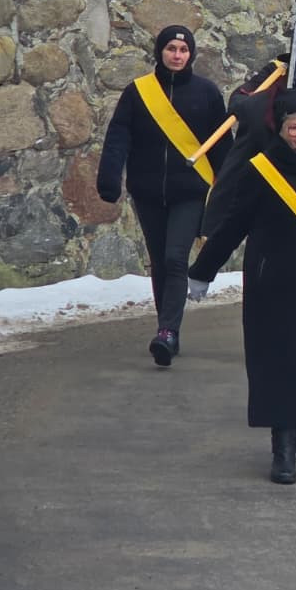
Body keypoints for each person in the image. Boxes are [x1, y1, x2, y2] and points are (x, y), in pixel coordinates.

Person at [187, 88, 296, 485]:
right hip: (274, 286)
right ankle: (282, 446)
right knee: (280, 365)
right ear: (280, 129)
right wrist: (203, 270)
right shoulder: (260, 169)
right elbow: (233, 225)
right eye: (295, 127)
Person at [96, 25, 232, 367]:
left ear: (191, 55)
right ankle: (167, 328)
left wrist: (231, 192)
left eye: (183, 50)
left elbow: (223, 149)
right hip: (148, 192)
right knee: (159, 261)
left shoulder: (207, 93)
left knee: (175, 258)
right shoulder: (138, 93)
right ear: (160, 52)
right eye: (171, 48)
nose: (176, 55)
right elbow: (118, 137)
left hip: (190, 192)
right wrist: (109, 178)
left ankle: (167, 332)